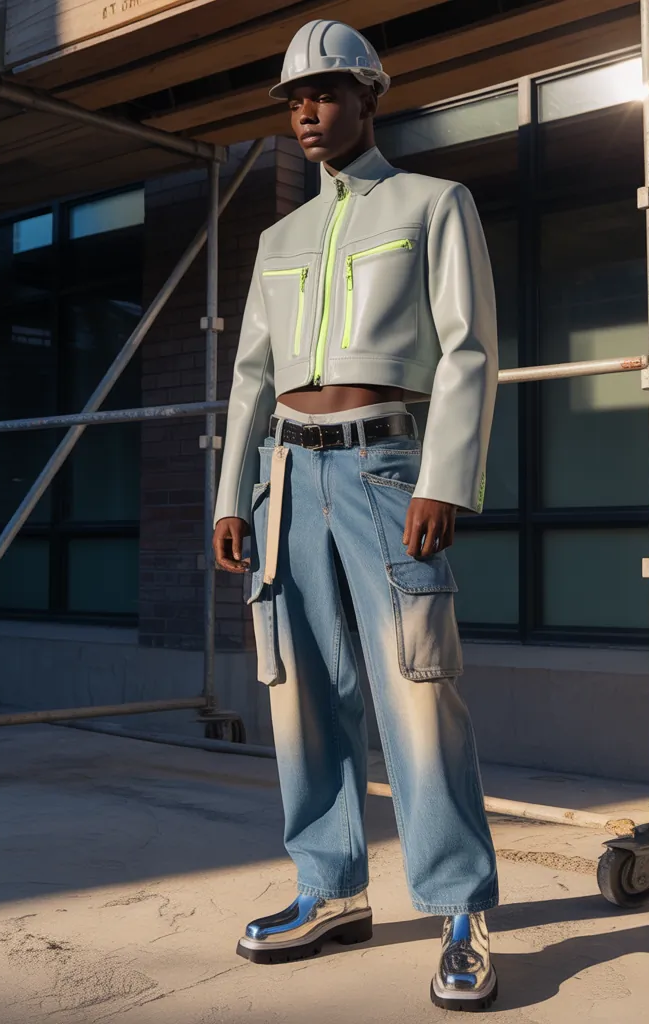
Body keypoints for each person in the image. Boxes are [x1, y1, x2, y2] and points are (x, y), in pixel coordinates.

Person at [212, 19, 500, 1011]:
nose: (306, 112)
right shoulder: (276, 238)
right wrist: (231, 494)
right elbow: (251, 375)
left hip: (385, 471)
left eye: (326, 93)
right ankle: (327, 890)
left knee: (420, 692)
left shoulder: (434, 204)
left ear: (370, 98)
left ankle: (460, 907)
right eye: (295, 98)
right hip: (286, 481)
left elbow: (467, 350)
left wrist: (444, 477)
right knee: (300, 693)